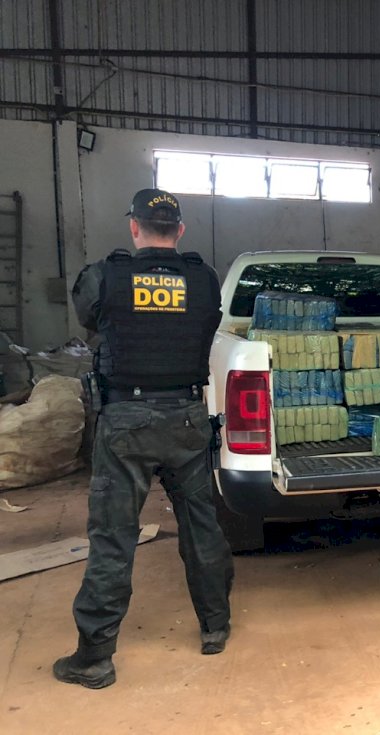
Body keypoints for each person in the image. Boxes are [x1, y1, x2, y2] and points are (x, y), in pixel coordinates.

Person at [54, 189, 234, 689]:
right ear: (180, 230)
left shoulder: (105, 276)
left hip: (125, 421)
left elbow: (90, 318)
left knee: (113, 536)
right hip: (186, 419)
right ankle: (215, 627)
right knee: (202, 526)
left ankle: (94, 658)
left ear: (134, 227)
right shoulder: (203, 278)